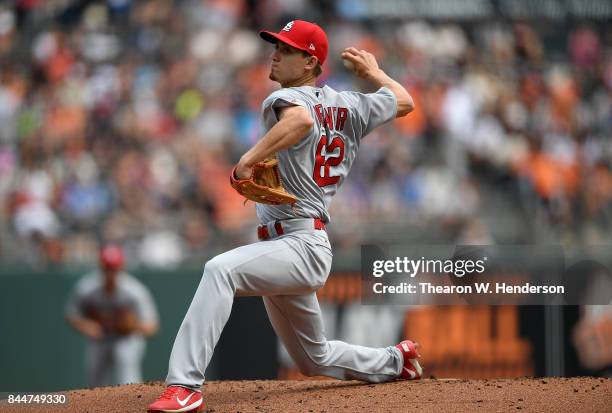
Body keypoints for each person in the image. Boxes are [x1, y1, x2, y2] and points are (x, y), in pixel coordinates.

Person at [148, 20, 421, 413]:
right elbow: (405, 101)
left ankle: (184, 386)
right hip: (294, 244)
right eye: (276, 45)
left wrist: (247, 160)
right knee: (313, 359)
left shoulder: (286, 100)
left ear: (310, 62)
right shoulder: (351, 105)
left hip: (299, 241)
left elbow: (302, 121)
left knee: (219, 271)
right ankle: (396, 361)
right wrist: (375, 74)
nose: (275, 53)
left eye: (288, 49)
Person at [65, 244, 160, 387]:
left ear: (121, 267)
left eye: (113, 268)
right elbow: (71, 314)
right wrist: (85, 325)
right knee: (95, 384)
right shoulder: (86, 288)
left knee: (128, 381)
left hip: (126, 339)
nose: (110, 272)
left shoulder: (135, 291)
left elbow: (152, 327)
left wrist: (133, 326)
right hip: (100, 339)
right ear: (100, 266)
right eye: (106, 268)